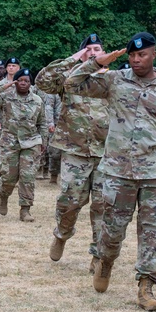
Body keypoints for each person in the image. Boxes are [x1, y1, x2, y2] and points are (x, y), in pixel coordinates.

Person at [64, 32, 156, 312]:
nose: (135, 60)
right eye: (131, 55)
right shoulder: (115, 81)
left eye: (141, 55)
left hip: (155, 172)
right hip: (119, 172)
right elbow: (72, 83)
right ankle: (105, 261)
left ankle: (146, 286)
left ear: (154, 54)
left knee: (152, 232)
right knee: (113, 229)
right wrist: (97, 63)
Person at [36, 34, 110, 273]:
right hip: (75, 152)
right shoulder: (68, 80)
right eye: (87, 49)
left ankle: (98, 255)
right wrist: (74, 59)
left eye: (97, 48)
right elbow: (42, 81)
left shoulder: (114, 80)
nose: (93, 52)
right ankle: (62, 234)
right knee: (69, 202)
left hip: (106, 154)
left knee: (103, 206)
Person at [0, 68, 45, 221]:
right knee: (10, 176)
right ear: (15, 81)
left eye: (27, 81)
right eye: (20, 80)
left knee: (28, 176)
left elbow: (42, 122)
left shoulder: (37, 100)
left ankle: (25, 210)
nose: (23, 83)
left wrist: (43, 141)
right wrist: (3, 86)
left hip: (31, 143)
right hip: (10, 142)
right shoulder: (6, 97)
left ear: (30, 83)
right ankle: (3, 195)